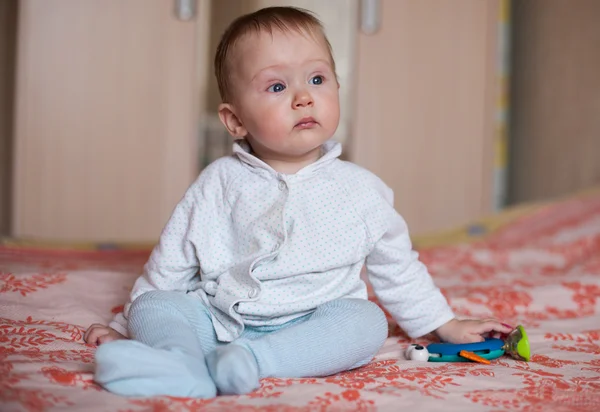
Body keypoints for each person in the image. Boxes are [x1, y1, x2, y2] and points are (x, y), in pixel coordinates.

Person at [84, 6, 512, 398]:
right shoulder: (217, 183)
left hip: (311, 325)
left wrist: (444, 324)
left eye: (317, 79)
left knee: (366, 323)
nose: (303, 97)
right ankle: (179, 361)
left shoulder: (363, 191)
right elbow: (172, 261)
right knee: (157, 304)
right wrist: (127, 326)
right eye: (276, 85)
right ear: (234, 120)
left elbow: (397, 268)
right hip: (216, 321)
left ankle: (253, 364)